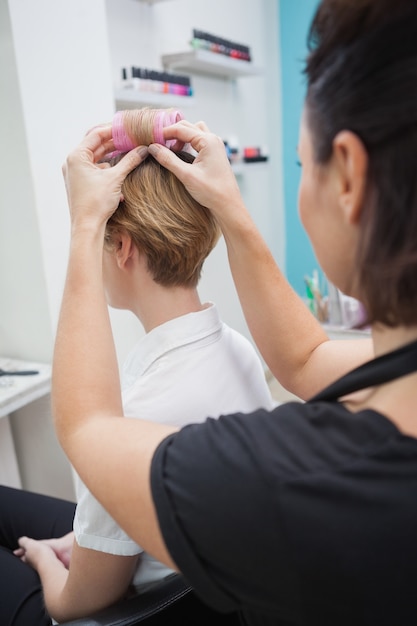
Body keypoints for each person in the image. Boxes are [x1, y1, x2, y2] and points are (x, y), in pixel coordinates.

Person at [49, 0, 417, 624]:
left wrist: (84, 225)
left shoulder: (300, 479)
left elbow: (88, 431)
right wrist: (232, 208)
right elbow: (307, 358)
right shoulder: (252, 358)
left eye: (303, 164)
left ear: (349, 175)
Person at [0, 110, 274, 625]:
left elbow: (72, 604)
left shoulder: (133, 420)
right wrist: (81, 538)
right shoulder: (237, 348)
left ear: (122, 247)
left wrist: (42, 557)